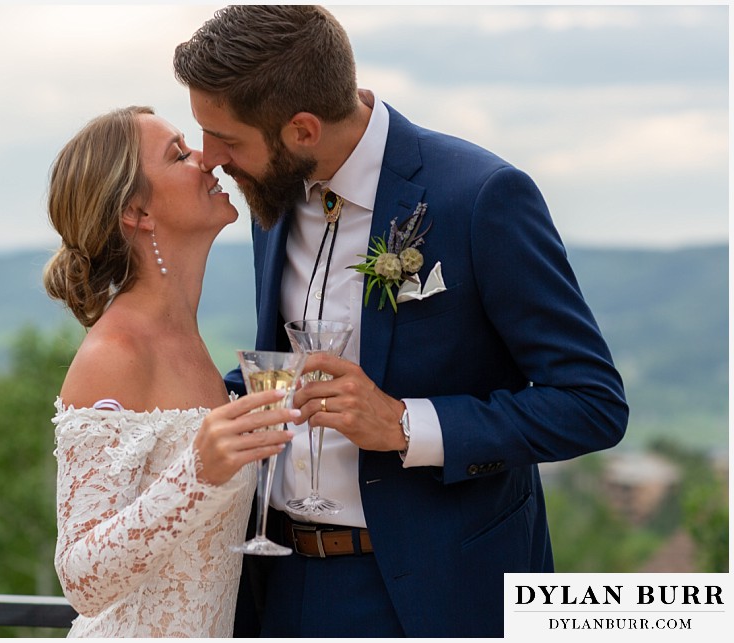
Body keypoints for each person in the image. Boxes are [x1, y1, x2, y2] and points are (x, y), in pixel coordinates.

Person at [173, 5, 629, 638]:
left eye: (226, 138)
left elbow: (591, 403)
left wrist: (406, 425)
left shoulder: (479, 196)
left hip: (434, 592)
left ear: (301, 129)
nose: (210, 157)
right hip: (274, 582)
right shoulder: (271, 196)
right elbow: (281, 360)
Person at [42, 105, 302, 637]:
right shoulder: (115, 353)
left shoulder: (190, 343)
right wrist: (196, 474)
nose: (207, 160)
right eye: (179, 155)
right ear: (137, 212)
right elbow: (80, 578)